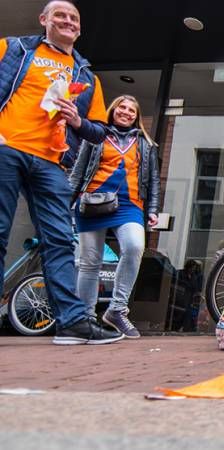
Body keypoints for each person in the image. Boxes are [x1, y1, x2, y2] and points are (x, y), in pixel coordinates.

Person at [0, 0, 122, 344]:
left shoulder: (85, 75)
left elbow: (98, 131)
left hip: (52, 162)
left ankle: (71, 322)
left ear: (79, 28)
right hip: (7, 149)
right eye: (61, 15)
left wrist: (77, 120)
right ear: (44, 20)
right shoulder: (13, 49)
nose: (68, 21)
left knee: (59, 241)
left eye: (74, 18)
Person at [69, 95, 160, 338]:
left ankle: (117, 309)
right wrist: (68, 202)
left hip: (129, 205)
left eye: (132, 109)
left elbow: (152, 180)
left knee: (134, 247)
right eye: (123, 107)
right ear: (113, 110)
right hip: (92, 202)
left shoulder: (146, 143)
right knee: (90, 261)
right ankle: (86, 318)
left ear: (137, 117)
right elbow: (79, 172)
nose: (127, 112)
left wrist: (152, 209)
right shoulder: (96, 135)